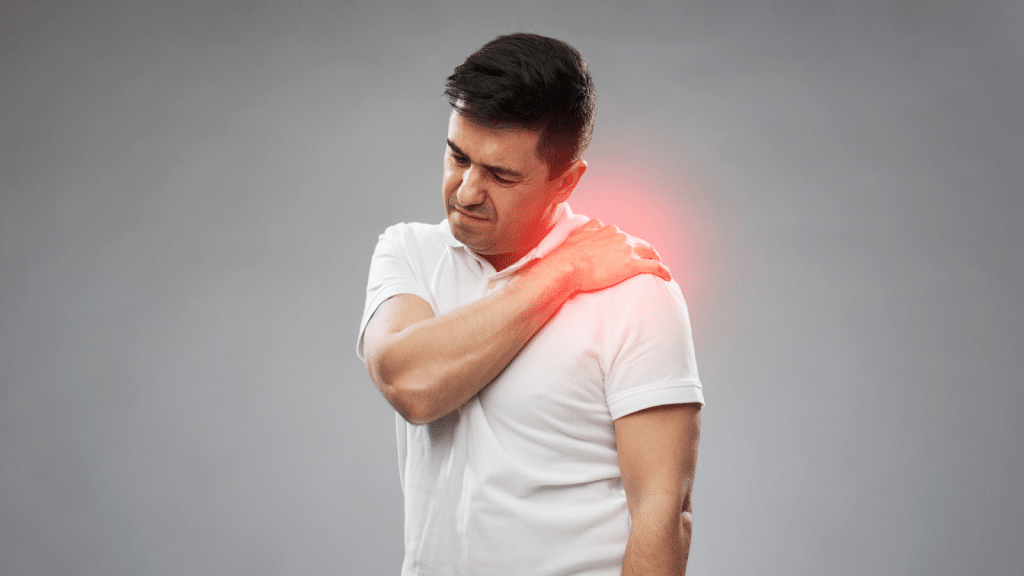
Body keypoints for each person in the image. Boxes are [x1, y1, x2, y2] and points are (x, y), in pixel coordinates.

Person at [358, 33, 704, 576]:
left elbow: (662, 516)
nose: (467, 191)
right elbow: (411, 382)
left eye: (501, 175)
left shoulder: (637, 292)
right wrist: (563, 272)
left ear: (565, 183)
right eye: (458, 156)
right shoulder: (410, 251)